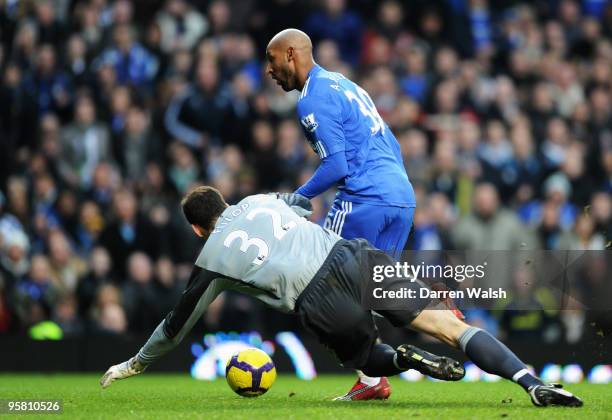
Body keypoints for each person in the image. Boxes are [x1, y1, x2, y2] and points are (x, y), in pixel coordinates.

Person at [100, 186, 583, 408]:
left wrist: (133, 364)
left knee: (371, 359)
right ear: (226, 202)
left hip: (318, 297)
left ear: (196, 228)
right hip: (350, 257)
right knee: (454, 328)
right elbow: (301, 203)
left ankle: (406, 360)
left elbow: (176, 323)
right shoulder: (258, 201)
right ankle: (530, 381)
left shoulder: (212, 261)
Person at [265, 27, 417, 400]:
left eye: (270, 60)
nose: (268, 71)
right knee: (374, 292)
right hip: (401, 197)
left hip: (363, 198)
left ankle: (373, 377)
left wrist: (293, 199)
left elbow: (337, 167)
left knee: (322, 281)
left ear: (290, 55)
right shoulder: (346, 84)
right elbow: (389, 140)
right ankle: (428, 306)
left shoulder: (311, 99)